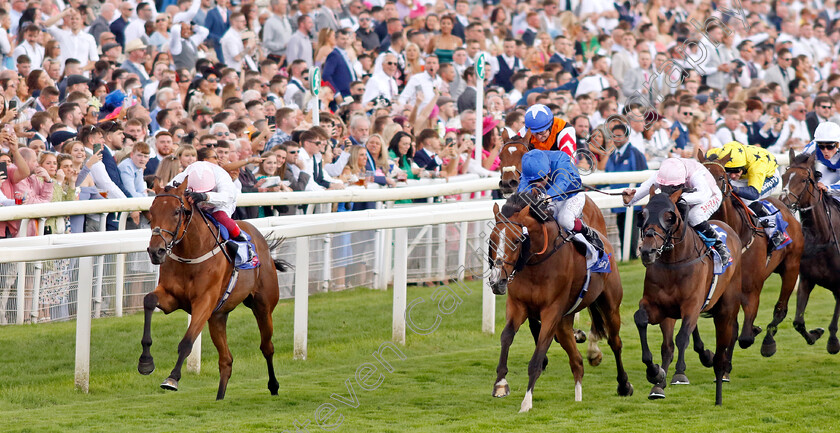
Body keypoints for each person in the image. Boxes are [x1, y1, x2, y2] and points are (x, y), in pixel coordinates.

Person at [622, 158, 729, 262]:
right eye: (664, 186)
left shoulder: (696, 175)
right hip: (686, 195)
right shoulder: (662, 174)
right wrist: (628, 201)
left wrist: (674, 200)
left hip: (710, 196)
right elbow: (641, 191)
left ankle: (719, 246)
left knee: (694, 216)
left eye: (672, 187)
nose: (668, 190)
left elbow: (703, 195)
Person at [517, 149, 603, 251]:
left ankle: (588, 232)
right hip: (550, 198)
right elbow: (522, 189)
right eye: (533, 182)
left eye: (540, 179)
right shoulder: (530, 167)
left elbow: (562, 182)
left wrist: (549, 196)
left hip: (572, 194)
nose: (537, 185)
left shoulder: (560, 159)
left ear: (549, 170)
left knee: (564, 219)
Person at [706, 141, 786, 248]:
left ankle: (774, 231)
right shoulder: (720, 153)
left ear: (742, 166)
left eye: (736, 171)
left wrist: (733, 188)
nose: (733, 175)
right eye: (729, 171)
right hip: (746, 173)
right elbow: (707, 156)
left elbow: (753, 193)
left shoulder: (757, 167)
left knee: (747, 199)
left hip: (768, 176)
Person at [169, 160, 247, 247]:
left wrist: (205, 196)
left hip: (223, 202)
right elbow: (167, 190)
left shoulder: (222, 177)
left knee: (220, 216)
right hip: (195, 199)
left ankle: (243, 240)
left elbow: (227, 197)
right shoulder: (185, 174)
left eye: (206, 189)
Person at [804, 122, 840, 198]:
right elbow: (798, 162)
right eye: (821, 146)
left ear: (838, 144)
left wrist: (829, 188)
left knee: (834, 194)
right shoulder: (812, 148)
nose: (825, 151)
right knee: (819, 190)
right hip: (829, 170)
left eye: (830, 147)